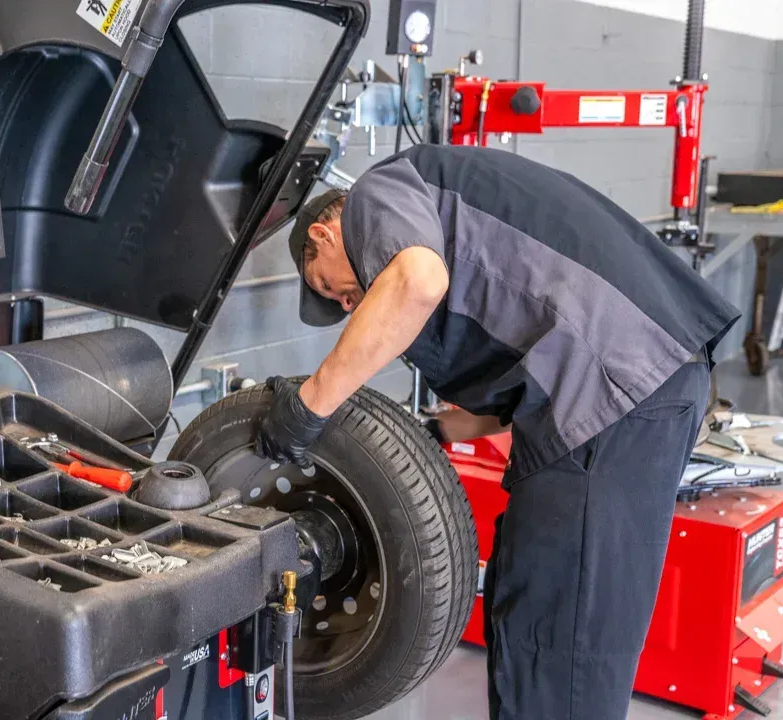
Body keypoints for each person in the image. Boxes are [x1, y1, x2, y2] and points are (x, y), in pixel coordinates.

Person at [254, 143, 740, 720]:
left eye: (330, 287)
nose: (345, 300)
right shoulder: (432, 197)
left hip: (610, 392)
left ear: (324, 234)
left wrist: (310, 405)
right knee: (539, 607)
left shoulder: (371, 196)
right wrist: (440, 432)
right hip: (636, 387)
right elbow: (512, 343)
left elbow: (417, 282)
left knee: (558, 641)